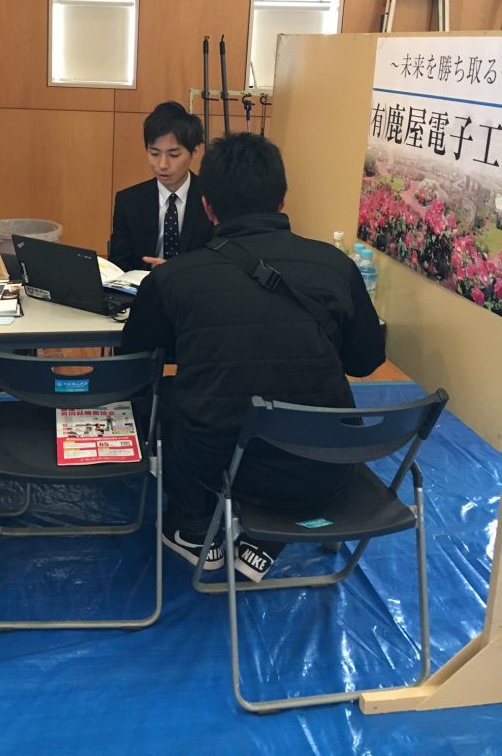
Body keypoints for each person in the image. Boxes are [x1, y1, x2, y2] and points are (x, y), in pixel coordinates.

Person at [121, 132, 385, 580]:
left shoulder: (174, 278)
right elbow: (364, 361)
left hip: (218, 469)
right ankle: (268, 536)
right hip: (325, 463)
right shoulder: (335, 265)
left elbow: (136, 359)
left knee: (160, 395)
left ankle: (194, 527)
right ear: (282, 200)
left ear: (207, 207)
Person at [108, 101, 212, 272]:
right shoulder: (129, 201)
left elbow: (219, 261)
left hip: (194, 285)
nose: (162, 164)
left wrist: (175, 270)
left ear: (194, 151)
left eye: (174, 154)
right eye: (154, 153)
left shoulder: (212, 198)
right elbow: (119, 264)